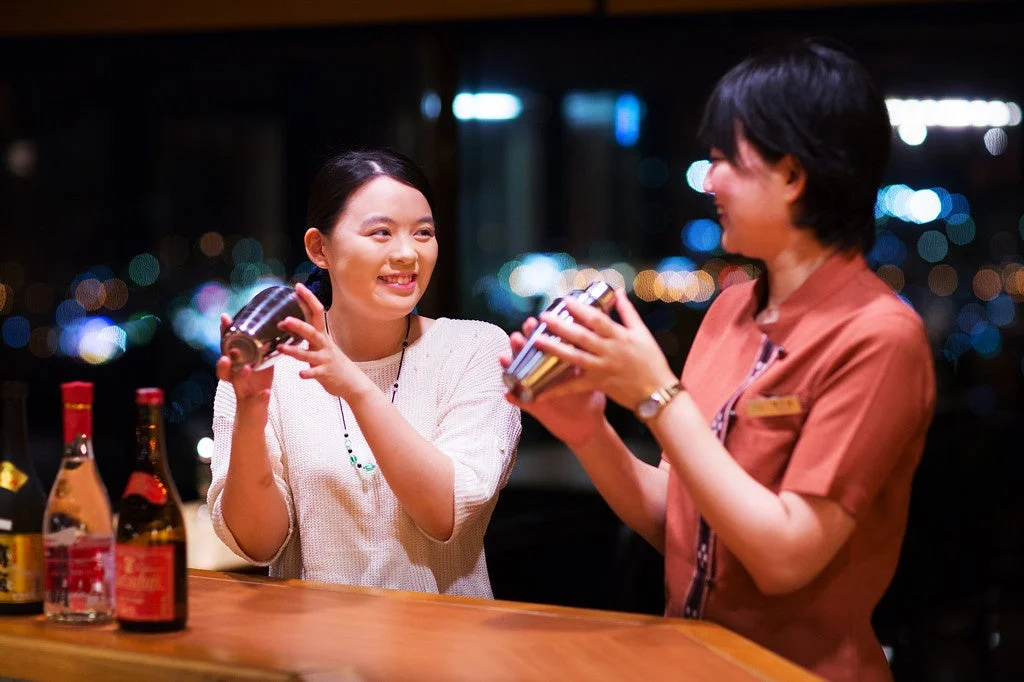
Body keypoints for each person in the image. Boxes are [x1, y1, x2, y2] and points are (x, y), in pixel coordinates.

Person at [503, 39, 934, 681]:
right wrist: (588, 431)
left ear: (793, 174)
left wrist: (656, 394)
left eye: (724, 158)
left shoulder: (879, 336)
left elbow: (786, 556)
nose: (709, 181)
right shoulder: (728, 310)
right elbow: (682, 524)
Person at [210, 149, 521, 598]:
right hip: (314, 655)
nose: (406, 253)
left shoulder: (473, 349)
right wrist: (251, 413)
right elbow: (259, 544)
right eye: (381, 233)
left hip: (445, 654)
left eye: (423, 233)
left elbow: (446, 514)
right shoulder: (267, 368)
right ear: (320, 248)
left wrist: (353, 386)